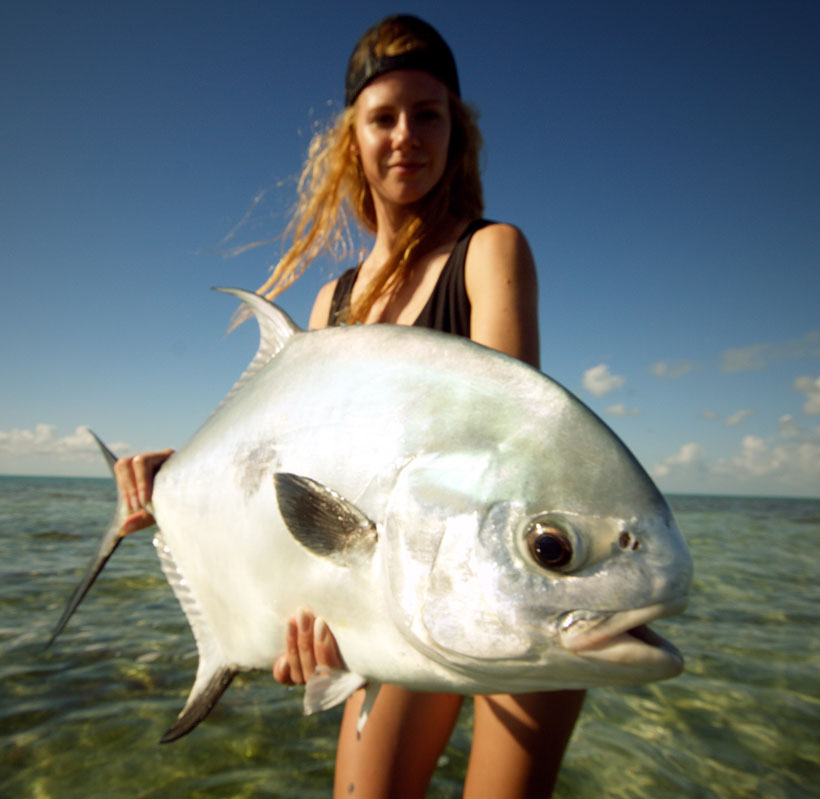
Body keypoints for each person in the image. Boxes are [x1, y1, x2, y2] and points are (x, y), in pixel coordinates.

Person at [113, 14, 585, 798]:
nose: (406, 136)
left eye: (428, 115)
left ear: (456, 133)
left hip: (510, 605)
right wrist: (180, 481)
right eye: (383, 117)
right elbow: (287, 468)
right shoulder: (331, 302)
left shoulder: (490, 251)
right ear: (352, 138)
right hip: (389, 611)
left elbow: (505, 454)